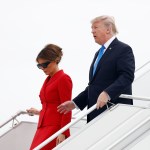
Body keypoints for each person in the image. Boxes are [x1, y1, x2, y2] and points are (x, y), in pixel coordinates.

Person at [57, 15, 135, 123]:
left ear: (108, 29)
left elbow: (127, 76)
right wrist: (75, 103)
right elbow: (94, 85)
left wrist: (107, 93)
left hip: (113, 112)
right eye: (91, 28)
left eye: (95, 27)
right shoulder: (98, 53)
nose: (92, 31)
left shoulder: (123, 49)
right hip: (95, 112)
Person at [27, 44, 73, 150]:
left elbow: (67, 108)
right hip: (42, 127)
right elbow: (51, 105)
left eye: (45, 64)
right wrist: (39, 112)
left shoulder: (63, 78)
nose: (42, 68)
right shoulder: (48, 80)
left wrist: (63, 132)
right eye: (39, 66)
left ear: (56, 60)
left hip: (55, 128)